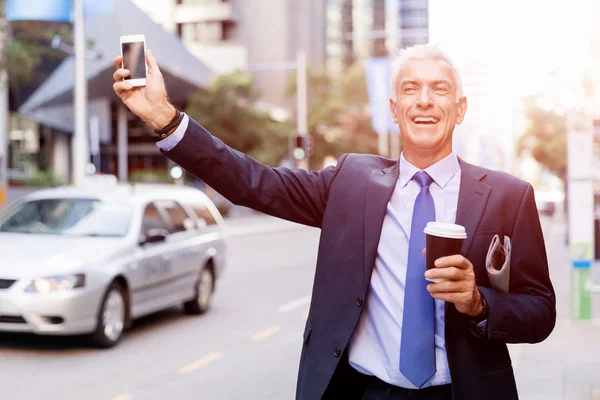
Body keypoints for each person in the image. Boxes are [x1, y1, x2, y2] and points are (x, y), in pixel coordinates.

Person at [112, 44, 556, 400]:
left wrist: (478, 302)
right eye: (410, 89)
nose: (424, 100)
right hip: (361, 390)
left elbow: (540, 312)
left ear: (459, 109)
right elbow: (253, 183)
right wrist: (164, 119)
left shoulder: (509, 197)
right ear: (394, 108)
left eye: (439, 90)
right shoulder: (351, 181)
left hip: (461, 390)